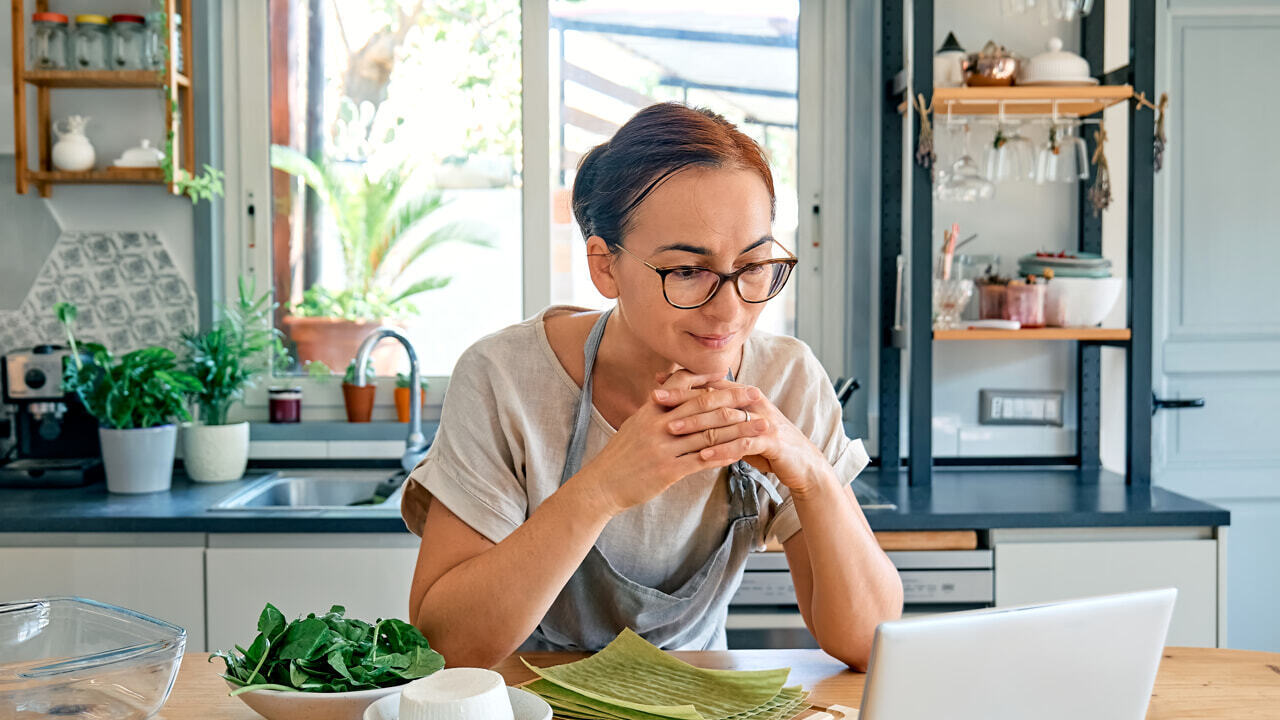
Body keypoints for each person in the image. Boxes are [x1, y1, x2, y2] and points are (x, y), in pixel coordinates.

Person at [401, 102, 902, 670]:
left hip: (702, 703)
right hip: (530, 702)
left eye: (755, 266)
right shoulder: (504, 377)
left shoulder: (786, 378)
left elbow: (869, 643)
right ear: (604, 266)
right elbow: (445, 645)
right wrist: (601, 490)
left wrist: (810, 473)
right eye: (688, 272)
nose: (730, 311)